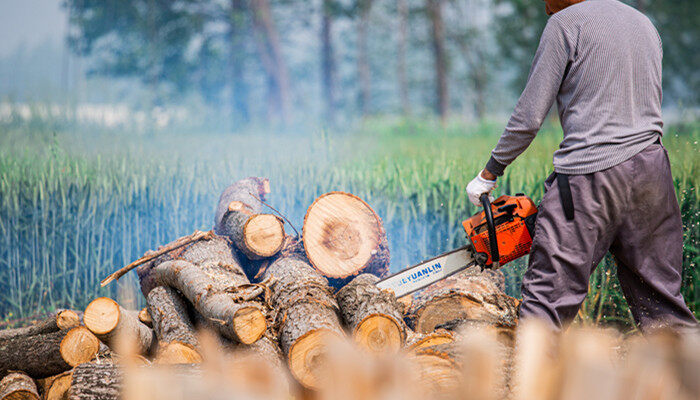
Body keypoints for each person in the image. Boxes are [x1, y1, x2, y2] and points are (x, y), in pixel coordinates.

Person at [466, 0, 697, 331]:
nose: (546, 8)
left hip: (589, 177)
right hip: (652, 171)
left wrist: (490, 172)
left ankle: (532, 383)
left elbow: (529, 118)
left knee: (546, 301)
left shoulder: (565, 24)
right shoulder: (643, 24)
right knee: (663, 306)